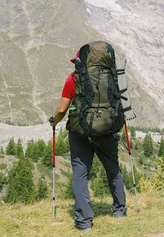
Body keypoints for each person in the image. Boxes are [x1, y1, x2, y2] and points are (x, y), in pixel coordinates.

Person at [50, 50, 127, 232]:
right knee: (113, 169)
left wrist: (54, 121)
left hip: (80, 132)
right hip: (107, 130)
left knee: (80, 173)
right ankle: (119, 210)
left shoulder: (73, 78)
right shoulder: (112, 76)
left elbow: (62, 108)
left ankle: (84, 222)